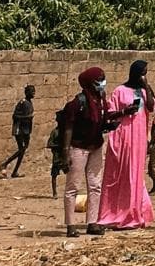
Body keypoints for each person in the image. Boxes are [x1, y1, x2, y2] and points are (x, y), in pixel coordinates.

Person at [59, 66, 140, 237]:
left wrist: (122, 114)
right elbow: (68, 128)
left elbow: (103, 121)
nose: (102, 83)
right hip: (78, 148)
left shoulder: (100, 101)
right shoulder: (77, 103)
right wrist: (65, 154)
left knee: (95, 186)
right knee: (73, 187)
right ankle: (70, 225)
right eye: (99, 80)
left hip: (95, 147)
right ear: (90, 83)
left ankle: (92, 222)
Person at [98, 60, 155, 229]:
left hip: (138, 138)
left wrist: (146, 86)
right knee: (121, 173)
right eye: (142, 73)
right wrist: (125, 111)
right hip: (122, 136)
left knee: (136, 174)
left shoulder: (145, 91)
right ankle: (116, 212)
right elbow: (110, 114)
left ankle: (134, 211)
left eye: (146, 73)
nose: (144, 76)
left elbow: (152, 106)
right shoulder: (119, 91)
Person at [0, 84, 35, 176]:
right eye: (32, 91)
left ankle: (15, 172)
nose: (34, 93)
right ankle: (5, 164)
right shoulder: (22, 102)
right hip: (19, 129)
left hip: (26, 130)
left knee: (23, 150)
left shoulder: (29, 102)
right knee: (22, 149)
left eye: (34, 91)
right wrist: (27, 117)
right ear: (27, 92)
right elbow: (15, 116)